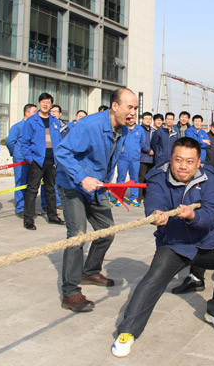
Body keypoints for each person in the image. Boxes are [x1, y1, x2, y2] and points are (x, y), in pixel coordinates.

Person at [111, 138, 214, 358]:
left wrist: (193, 216)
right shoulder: (157, 176)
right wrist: (156, 214)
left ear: (198, 162)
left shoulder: (208, 177)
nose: (183, 166)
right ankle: (127, 332)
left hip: (205, 241)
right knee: (151, 281)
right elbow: (154, 201)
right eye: (178, 160)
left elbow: (211, 215)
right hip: (174, 243)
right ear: (170, 159)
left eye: (189, 161)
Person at [55, 88, 138, 312]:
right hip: (73, 185)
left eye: (136, 108)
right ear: (115, 106)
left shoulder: (124, 130)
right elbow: (62, 152)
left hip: (97, 186)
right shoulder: (89, 125)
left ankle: (90, 271)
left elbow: (109, 159)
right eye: (129, 107)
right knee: (77, 235)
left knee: (107, 231)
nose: (133, 113)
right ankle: (70, 293)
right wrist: (82, 178)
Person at [20, 93, 64, 229]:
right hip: (37, 161)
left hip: (52, 161)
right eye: (43, 102)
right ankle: (28, 219)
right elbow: (24, 142)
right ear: (39, 103)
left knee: (51, 189)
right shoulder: (31, 121)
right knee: (32, 190)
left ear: (51, 105)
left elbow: (59, 140)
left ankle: (52, 216)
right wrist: (30, 159)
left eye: (48, 102)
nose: (45, 104)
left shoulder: (54, 121)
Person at [6, 104, 38, 218]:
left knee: (31, 184)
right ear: (27, 113)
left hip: (32, 159)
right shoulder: (18, 127)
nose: (36, 114)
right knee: (20, 183)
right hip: (21, 160)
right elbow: (10, 142)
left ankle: (29, 208)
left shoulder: (35, 127)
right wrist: (16, 153)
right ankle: (20, 208)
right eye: (34, 112)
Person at [114, 111, 145, 207]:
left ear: (136, 118)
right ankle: (119, 198)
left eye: (133, 118)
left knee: (134, 178)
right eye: (129, 118)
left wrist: (137, 150)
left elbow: (142, 142)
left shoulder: (140, 129)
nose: (131, 120)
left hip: (135, 159)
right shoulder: (123, 128)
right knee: (121, 178)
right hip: (123, 158)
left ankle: (133, 198)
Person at [138, 111, 155, 202]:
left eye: (150, 119)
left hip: (151, 158)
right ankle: (139, 196)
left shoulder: (153, 130)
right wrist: (148, 150)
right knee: (141, 177)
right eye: (146, 118)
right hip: (142, 158)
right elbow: (140, 142)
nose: (148, 120)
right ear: (142, 119)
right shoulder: (139, 129)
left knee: (148, 178)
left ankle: (146, 195)